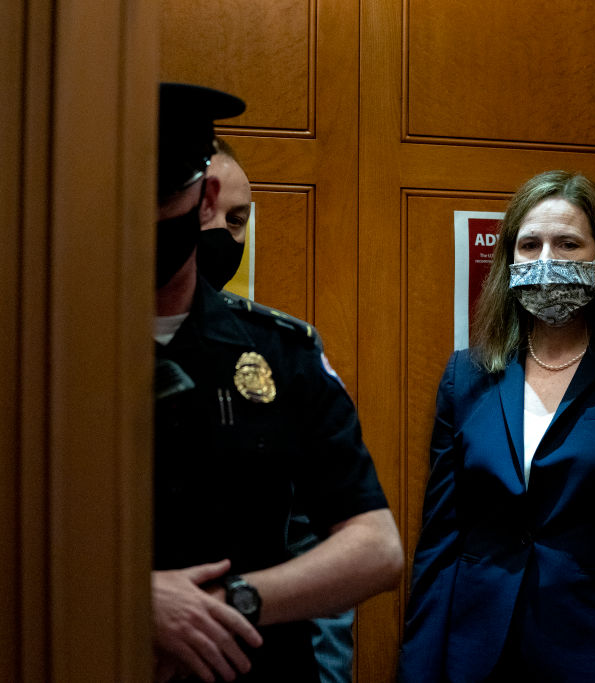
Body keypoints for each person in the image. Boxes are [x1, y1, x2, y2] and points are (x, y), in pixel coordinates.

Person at [151, 82, 403, 683]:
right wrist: (129, 601)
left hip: (252, 663)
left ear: (202, 196)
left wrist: (229, 602)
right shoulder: (44, 354)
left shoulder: (278, 351)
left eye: (156, 194)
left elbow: (376, 546)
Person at [399, 170, 595, 681]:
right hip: (475, 647)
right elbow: (440, 539)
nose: (545, 261)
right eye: (529, 244)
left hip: (594, 646)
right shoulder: (467, 376)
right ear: (508, 261)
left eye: (567, 245)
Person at [197, 139, 358, 683]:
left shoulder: (280, 350)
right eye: (207, 213)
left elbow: (325, 539)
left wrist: (328, 675)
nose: (223, 234)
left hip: (263, 658)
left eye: (238, 219)